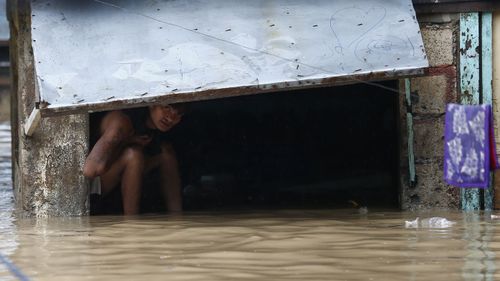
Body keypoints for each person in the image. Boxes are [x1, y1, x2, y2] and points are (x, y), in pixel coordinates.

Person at [83, 104, 184, 215]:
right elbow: (90, 169)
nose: (170, 118)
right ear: (152, 104)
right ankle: (131, 222)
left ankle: (177, 216)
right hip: (88, 188)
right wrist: (126, 142)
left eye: (178, 114)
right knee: (134, 155)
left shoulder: (149, 126)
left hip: (110, 178)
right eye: (167, 108)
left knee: (166, 153)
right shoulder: (121, 122)